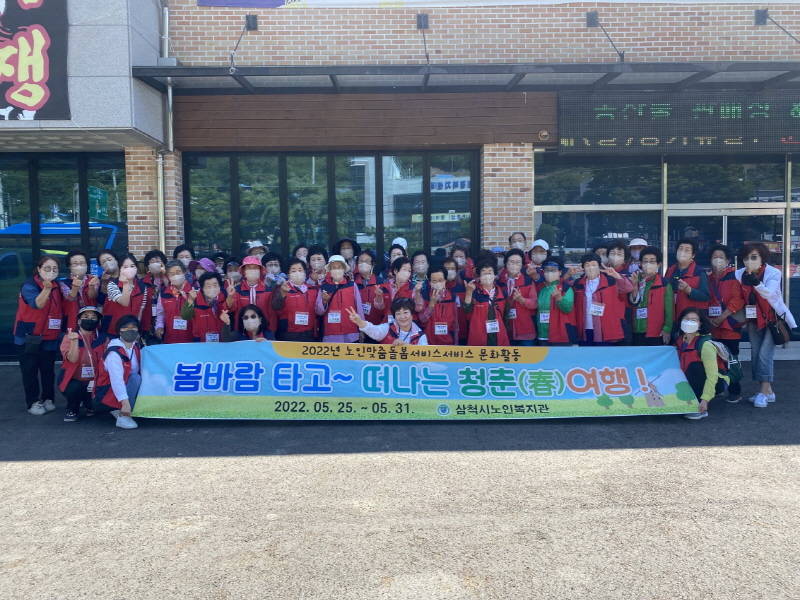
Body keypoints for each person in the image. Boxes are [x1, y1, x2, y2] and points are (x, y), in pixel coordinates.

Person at [736, 243, 796, 408]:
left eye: (754, 257)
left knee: (764, 355)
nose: (749, 261)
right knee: (756, 354)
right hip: (753, 319)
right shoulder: (739, 274)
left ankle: (763, 392)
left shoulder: (773, 273)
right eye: (746, 258)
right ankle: (768, 391)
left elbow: (769, 293)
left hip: (772, 320)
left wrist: (756, 283)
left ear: (762, 258)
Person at [14, 255, 64, 415]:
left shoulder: (58, 285)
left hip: (50, 335)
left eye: (55, 269)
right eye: (47, 268)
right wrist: (47, 288)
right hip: (29, 335)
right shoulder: (29, 286)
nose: (51, 271)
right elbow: (37, 304)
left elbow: (69, 299)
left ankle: (48, 398)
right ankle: (33, 402)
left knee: (48, 369)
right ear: (39, 269)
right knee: (30, 370)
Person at [707, 245, 745, 402]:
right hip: (713, 327)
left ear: (728, 260)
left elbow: (738, 300)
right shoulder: (708, 279)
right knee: (714, 359)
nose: (717, 260)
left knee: (731, 359)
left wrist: (722, 317)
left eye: (721, 257)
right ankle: (718, 388)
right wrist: (709, 320)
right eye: (714, 257)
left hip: (729, 326)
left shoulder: (734, 277)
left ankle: (735, 391)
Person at [676, 308, 727, 420]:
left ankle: (698, 404)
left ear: (700, 324)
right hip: (688, 379)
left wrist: (705, 400)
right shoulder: (679, 341)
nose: (689, 322)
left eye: (694, 320)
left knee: (695, 367)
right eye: (686, 319)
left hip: (715, 382)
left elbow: (712, 376)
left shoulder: (705, 345)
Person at [573, 253, 633, 345]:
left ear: (599, 266)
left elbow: (628, 288)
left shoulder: (611, 281)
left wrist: (616, 275)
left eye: (594, 265)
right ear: (583, 268)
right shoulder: (578, 284)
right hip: (585, 328)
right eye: (587, 265)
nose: (591, 268)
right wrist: (568, 274)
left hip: (606, 330)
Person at [58, 306, 106, 422]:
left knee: (99, 408)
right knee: (74, 388)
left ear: (98, 322)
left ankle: (88, 404)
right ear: (79, 321)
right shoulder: (69, 337)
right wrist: (74, 341)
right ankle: (72, 408)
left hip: (95, 380)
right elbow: (72, 359)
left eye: (93, 317)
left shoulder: (103, 339)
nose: (90, 319)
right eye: (86, 316)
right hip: (74, 379)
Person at [94, 314, 142, 430]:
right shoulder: (114, 353)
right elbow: (117, 380)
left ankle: (120, 408)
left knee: (138, 377)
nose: (130, 330)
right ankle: (123, 415)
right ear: (119, 330)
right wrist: (125, 403)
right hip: (107, 393)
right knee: (135, 378)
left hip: (121, 389)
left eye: (133, 327)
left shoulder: (135, 347)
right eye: (125, 327)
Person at [630, 247, 673, 346]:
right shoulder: (634, 279)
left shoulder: (664, 284)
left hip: (656, 332)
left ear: (659, 264)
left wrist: (667, 329)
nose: (648, 264)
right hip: (636, 329)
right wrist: (634, 286)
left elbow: (669, 310)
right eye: (645, 261)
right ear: (640, 263)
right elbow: (631, 302)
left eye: (652, 261)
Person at [315, 254, 364, 342]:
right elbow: (319, 311)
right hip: (331, 334)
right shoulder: (324, 287)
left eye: (339, 267)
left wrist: (362, 328)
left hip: (351, 333)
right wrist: (324, 301)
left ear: (344, 269)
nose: (336, 270)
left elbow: (359, 308)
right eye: (333, 268)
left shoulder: (352, 285)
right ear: (329, 270)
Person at [100, 253, 150, 337]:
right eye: (125, 267)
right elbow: (124, 302)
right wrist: (125, 284)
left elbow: (141, 310)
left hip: (131, 331)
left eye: (132, 266)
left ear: (136, 268)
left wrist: (137, 329)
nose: (129, 269)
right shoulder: (112, 284)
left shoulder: (142, 286)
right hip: (113, 329)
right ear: (120, 269)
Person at [226, 256, 276, 338]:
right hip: (241, 332)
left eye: (255, 268)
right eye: (249, 268)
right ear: (243, 271)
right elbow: (231, 308)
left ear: (260, 271)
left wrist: (271, 332)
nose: (252, 270)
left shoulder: (268, 290)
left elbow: (272, 315)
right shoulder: (237, 290)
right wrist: (230, 296)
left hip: (263, 332)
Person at [463, 261, 509, 346]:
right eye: (484, 273)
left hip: (499, 336)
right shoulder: (474, 292)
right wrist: (469, 293)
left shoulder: (502, 292)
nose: (487, 275)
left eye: (490, 272)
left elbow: (506, 316)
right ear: (479, 277)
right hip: (479, 336)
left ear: (495, 276)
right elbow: (467, 312)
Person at [272, 259, 319, 342]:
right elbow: (276, 308)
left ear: (305, 273)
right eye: (293, 271)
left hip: (309, 333)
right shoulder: (282, 288)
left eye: (300, 270)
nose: (297, 273)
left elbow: (319, 311)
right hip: (288, 334)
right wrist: (282, 294)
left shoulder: (313, 289)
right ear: (288, 274)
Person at [347, 298, 427, 345]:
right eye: (398, 314)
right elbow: (373, 331)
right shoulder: (388, 328)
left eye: (405, 312)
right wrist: (359, 321)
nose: (402, 317)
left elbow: (424, 359)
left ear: (412, 314)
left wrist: (407, 348)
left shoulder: (420, 336)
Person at [500, 249, 538, 346]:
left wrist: (522, 300)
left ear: (522, 265)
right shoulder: (499, 282)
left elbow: (535, 303)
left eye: (518, 262)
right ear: (506, 264)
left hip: (525, 330)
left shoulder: (528, 281)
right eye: (512, 262)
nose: (514, 265)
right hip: (506, 330)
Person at [536, 256, 576, 346]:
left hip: (560, 335)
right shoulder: (542, 289)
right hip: (542, 334)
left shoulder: (566, 288)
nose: (549, 273)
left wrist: (559, 298)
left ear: (560, 272)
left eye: (553, 270)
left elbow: (568, 308)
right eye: (546, 270)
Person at [665, 238, 710, 318]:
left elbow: (705, 296)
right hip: (671, 317)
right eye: (680, 249)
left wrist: (689, 290)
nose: (683, 252)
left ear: (693, 255)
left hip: (690, 319)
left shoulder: (699, 273)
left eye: (687, 250)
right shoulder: (670, 271)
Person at [414, 266, 458, 345]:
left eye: (440, 280)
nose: (437, 283)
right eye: (434, 281)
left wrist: (456, 344)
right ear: (429, 282)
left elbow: (455, 325)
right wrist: (431, 304)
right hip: (429, 343)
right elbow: (422, 320)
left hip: (448, 344)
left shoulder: (452, 297)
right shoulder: (424, 296)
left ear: (445, 281)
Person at [155, 260, 196, 344]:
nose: (175, 275)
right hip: (170, 340)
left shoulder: (194, 291)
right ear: (168, 276)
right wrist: (159, 326)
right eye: (171, 273)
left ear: (184, 272)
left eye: (178, 272)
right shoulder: (164, 293)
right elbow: (160, 313)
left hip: (191, 340)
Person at [59, 250, 100, 331]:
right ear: (69, 266)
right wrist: (75, 287)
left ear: (87, 265)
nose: (79, 266)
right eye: (75, 264)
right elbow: (70, 298)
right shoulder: (63, 283)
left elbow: (93, 297)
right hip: (72, 323)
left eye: (82, 263)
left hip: (92, 322)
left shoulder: (93, 279)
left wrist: (91, 286)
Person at [353, 250, 385, 334]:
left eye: (367, 261)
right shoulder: (352, 282)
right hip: (356, 327)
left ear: (372, 264)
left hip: (376, 327)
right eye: (361, 261)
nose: (363, 263)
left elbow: (384, 308)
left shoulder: (381, 282)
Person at [191, 272, 227, 343]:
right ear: (202, 288)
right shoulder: (194, 300)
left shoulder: (225, 297)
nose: (212, 289)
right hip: (201, 343)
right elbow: (186, 316)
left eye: (215, 285)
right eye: (208, 286)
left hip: (222, 342)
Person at [443, 256, 468, 345]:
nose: (449, 271)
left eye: (452, 269)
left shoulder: (463, 287)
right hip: (444, 333)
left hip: (462, 332)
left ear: (457, 271)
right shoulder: (438, 288)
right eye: (447, 269)